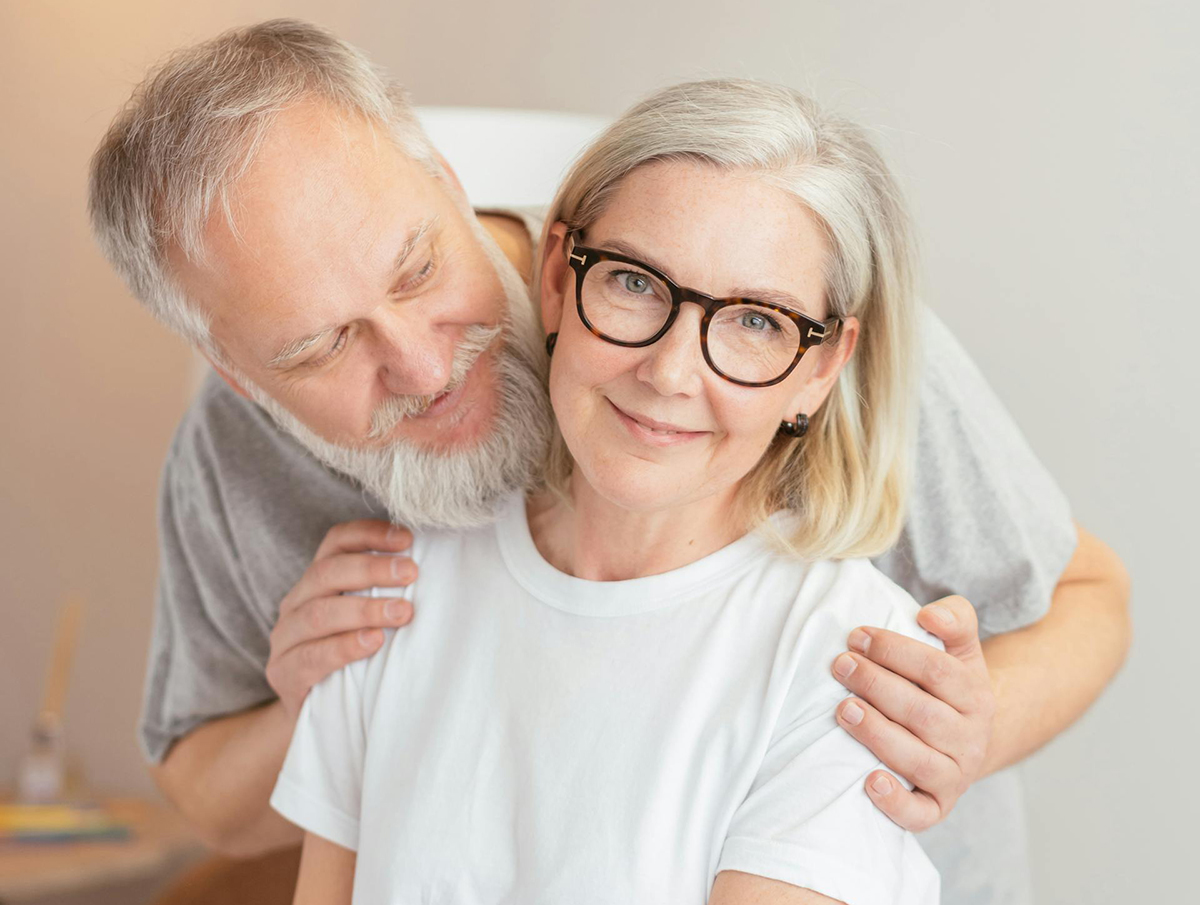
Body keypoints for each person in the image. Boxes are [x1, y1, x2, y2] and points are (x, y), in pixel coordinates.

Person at [86, 20, 1130, 905]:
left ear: (450, 184)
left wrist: (938, 735)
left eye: (418, 269)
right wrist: (329, 693)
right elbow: (207, 789)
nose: (418, 363)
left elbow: (1091, 593)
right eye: (321, 345)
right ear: (238, 371)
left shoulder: (766, 323)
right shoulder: (294, 514)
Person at [272, 76, 950, 903]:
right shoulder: (393, 590)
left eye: (755, 321)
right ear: (557, 278)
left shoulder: (852, 664)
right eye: (635, 282)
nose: (669, 372)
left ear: (818, 369)